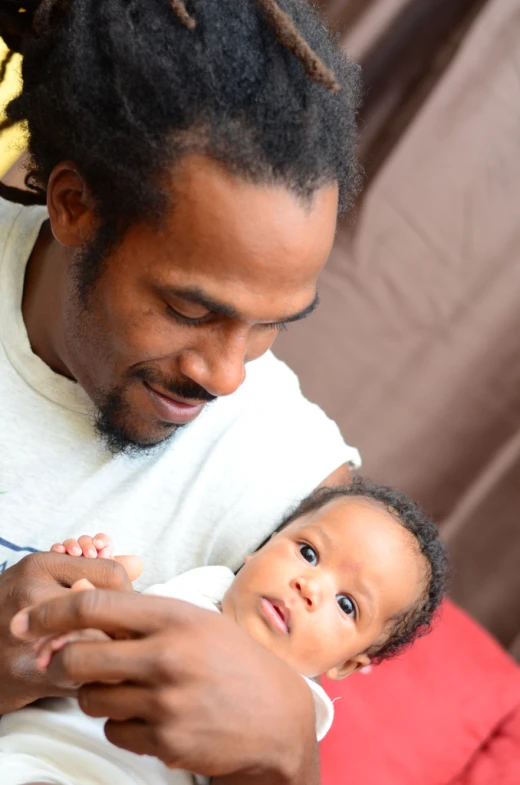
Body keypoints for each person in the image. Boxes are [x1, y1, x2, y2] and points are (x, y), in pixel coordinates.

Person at [0, 1, 363, 783]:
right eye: (192, 310)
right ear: (74, 206)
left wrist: (289, 759)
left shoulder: (305, 504)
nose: (228, 375)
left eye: (274, 325)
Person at [2, 478, 449, 785]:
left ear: (347, 662)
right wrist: (88, 586)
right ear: (257, 551)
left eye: (347, 604)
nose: (309, 586)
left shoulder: (291, 701)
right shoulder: (200, 586)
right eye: (308, 553)